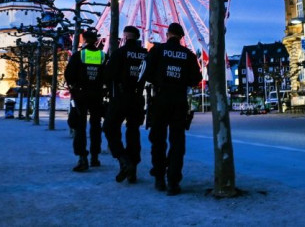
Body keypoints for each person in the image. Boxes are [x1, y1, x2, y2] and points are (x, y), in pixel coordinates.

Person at [141, 22, 202, 196]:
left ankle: (159, 177)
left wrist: (159, 81)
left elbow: (146, 71)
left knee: (158, 140)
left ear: (168, 34)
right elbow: (195, 78)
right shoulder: (188, 55)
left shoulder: (158, 50)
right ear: (182, 37)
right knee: (177, 142)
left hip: (160, 99)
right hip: (179, 100)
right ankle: (173, 181)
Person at [103, 25, 147, 184]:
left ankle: (123, 159)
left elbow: (108, 74)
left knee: (109, 127)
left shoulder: (120, 53)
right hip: (137, 98)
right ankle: (133, 169)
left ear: (126, 37)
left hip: (120, 97)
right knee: (133, 132)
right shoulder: (145, 54)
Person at [64, 27, 107, 172]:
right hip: (97, 94)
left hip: (81, 95)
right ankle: (95, 156)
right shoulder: (103, 55)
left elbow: (69, 74)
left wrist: (74, 87)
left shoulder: (79, 55)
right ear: (96, 41)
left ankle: (82, 157)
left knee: (80, 127)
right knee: (96, 126)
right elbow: (108, 75)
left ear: (85, 40)